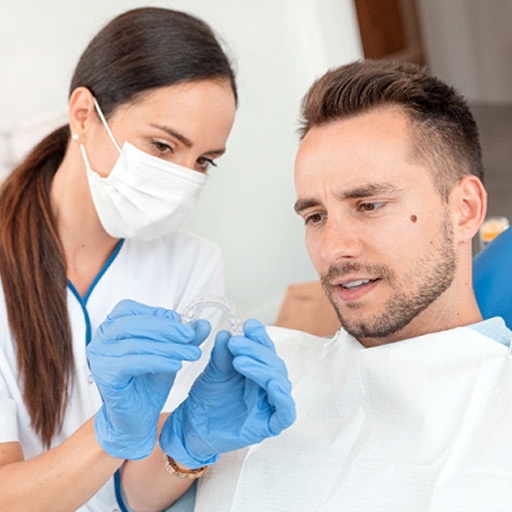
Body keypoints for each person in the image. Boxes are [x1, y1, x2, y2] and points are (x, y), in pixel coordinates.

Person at [178, 60, 512, 511]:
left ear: (465, 211)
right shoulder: (267, 378)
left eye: (369, 205)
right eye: (315, 216)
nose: (333, 248)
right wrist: (180, 450)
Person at [0, 6, 284, 511]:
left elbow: (136, 494)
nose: (182, 178)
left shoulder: (192, 264)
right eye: (162, 145)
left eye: (203, 161)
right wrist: (109, 433)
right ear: (84, 115)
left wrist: (192, 441)